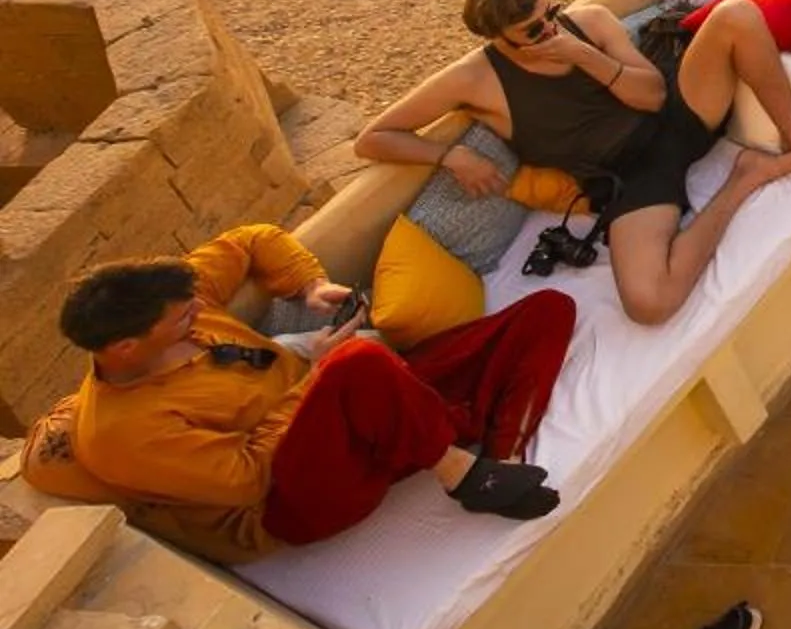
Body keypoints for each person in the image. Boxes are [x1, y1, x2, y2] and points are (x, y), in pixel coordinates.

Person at [357, 0, 791, 326]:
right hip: (630, 175)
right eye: (532, 29)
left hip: (679, 117)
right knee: (649, 303)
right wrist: (448, 154)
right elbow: (373, 139)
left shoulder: (592, 23)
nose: (549, 28)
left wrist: (582, 55)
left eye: (551, 12)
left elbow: (652, 97)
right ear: (499, 38)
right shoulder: (470, 81)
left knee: (737, 14)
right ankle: (745, 178)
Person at [47, 225, 576, 563]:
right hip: (288, 501)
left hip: (346, 405)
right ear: (124, 347)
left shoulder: (179, 302)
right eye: (184, 317)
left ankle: (499, 452)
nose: (198, 315)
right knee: (362, 361)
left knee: (547, 309)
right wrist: (313, 375)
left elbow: (251, 240)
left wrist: (309, 286)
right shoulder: (123, 432)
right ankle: (462, 472)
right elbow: (249, 479)